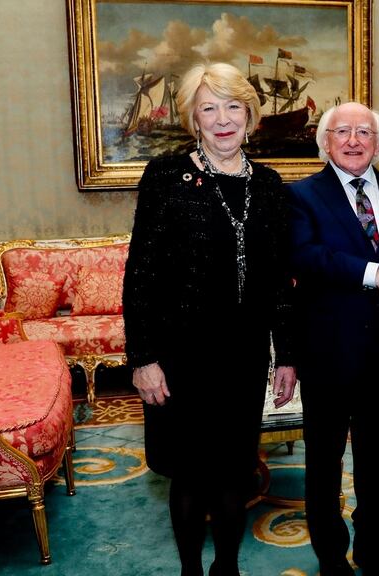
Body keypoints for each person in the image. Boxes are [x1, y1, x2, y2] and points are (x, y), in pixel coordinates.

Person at [122, 62, 296, 576]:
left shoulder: (268, 185)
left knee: (235, 471)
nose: (223, 119)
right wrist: (142, 358)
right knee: (190, 473)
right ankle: (191, 570)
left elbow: (279, 281)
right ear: (194, 120)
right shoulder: (166, 176)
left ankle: (226, 566)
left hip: (242, 356)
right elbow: (140, 277)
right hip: (179, 357)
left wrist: (286, 354)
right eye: (209, 108)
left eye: (233, 106)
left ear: (250, 115)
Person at [283, 102, 379, 576]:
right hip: (326, 353)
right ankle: (330, 554)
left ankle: (374, 549)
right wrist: (374, 275)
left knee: (377, 462)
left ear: (378, 143)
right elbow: (306, 257)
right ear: (325, 142)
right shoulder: (301, 196)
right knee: (324, 463)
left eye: (363, 132)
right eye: (342, 131)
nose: (353, 140)